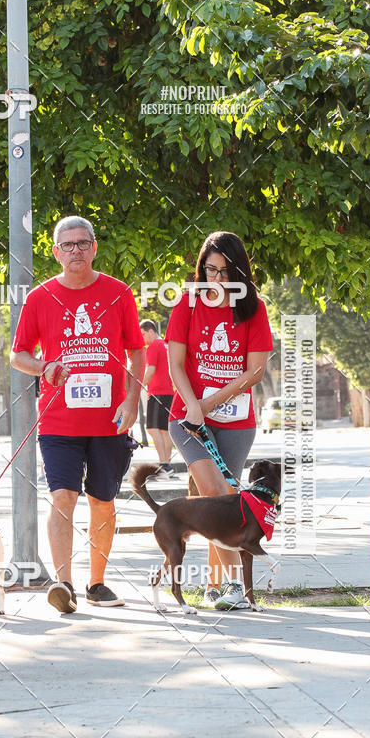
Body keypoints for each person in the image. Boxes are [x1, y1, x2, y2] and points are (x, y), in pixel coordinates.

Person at [10, 214, 145, 613]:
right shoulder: (40, 297)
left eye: (83, 243)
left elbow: (136, 351)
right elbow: (18, 355)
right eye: (67, 245)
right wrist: (45, 367)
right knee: (62, 496)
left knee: (102, 501)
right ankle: (64, 585)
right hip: (59, 420)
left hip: (109, 421)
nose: (76, 251)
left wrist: (132, 400)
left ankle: (96, 584)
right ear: (56, 252)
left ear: (94, 248)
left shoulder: (119, 293)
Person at [166, 231, 273, 610]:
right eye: (210, 270)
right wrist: (193, 406)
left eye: (226, 271)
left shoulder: (254, 309)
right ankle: (235, 586)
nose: (217, 278)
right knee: (214, 493)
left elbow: (255, 371)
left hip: (235, 421)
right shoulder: (187, 304)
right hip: (188, 419)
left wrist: (210, 402)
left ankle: (213, 585)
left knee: (223, 499)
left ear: (240, 272)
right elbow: (175, 364)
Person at [139, 320, 176, 478]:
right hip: (169, 392)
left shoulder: (153, 346)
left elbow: (151, 369)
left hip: (157, 392)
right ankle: (167, 465)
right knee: (164, 430)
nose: (143, 339)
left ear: (151, 331)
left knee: (153, 428)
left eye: (143, 334)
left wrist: (139, 386)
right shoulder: (166, 345)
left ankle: (163, 464)